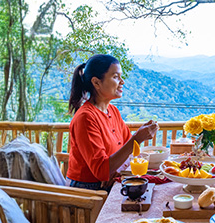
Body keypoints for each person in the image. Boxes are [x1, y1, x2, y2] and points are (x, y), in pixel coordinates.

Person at [67, 54, 159, 191]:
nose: (122, 82)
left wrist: (117, 169)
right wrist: (137, 139)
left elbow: (127, 149)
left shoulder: (112, 110)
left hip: (109, 181)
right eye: (116, 77)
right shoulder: (85, 118)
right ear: (96, 83)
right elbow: (101, 171)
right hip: (88, 190)